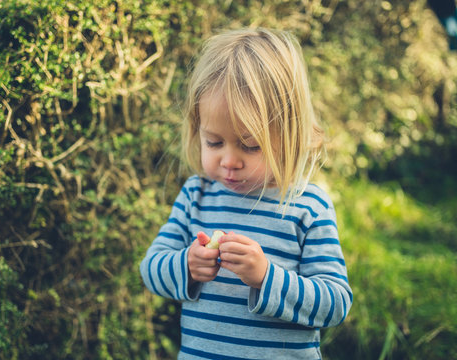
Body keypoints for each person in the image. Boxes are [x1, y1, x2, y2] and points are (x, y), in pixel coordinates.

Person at [139, 28, 352, 359]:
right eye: (214, 142)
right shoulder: (196, 196)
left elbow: (335, 304)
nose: (229, 161)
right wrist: (187, 265)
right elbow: (151, 269)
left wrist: (266, 277)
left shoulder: (308, 207)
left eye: (250, 146)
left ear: (290, 133)